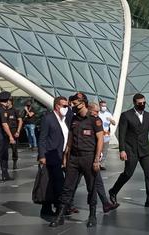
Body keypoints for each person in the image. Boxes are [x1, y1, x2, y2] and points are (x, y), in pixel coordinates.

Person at [109, 93, 149, 209]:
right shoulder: (126, 115)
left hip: (146, 151)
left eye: (144, 103)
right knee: (128, 174)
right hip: (131, 150)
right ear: (135, 103)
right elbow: (122, 134)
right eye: (140, 103)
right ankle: (113, 191)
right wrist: (122, 150)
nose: (143, 105)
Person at [50, 92, 103, 228]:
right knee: (67, 187)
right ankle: (60, 215)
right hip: (74, 157)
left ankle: (92, 215)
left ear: (83, 103)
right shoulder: (74, 119)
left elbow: (100, 140)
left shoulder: (94, 119)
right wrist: (65, 157)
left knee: (91, 188)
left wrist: (97, 160)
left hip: (89, 157)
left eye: (74, 103)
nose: (71, 106)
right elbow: (70, 139)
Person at [38, 96, 70, 217]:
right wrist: (42, 155)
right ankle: (57, 207)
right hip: (51, 155)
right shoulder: (48, 118)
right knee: (55, 182)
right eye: (64, 106)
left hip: (62, 155)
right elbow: (42, 138)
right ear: (57, 106)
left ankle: (52, 207)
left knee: (55, 182)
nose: (66, 108)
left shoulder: (64, 119)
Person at [0, 94, 23, 170]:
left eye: (9, 101)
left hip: (13, 131)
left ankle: (14, 162)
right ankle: (3, 165)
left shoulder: (15, 110)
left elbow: (20, 121)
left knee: (14, 148)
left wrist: (18, 131)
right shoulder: (4, 110)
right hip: (5, 131)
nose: (7, 102)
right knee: (4, 149)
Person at [98, 100, 116, 170]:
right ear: (100, 106)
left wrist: (110, 120)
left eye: (105, 106)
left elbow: (114, 123)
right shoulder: (98, 113)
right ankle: (97, 162)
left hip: (106, 133)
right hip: (99, 132)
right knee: (98, 148)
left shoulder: (108, 114)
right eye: (102, 106)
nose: (104, 107)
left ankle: (102, 164)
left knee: (105, 149)